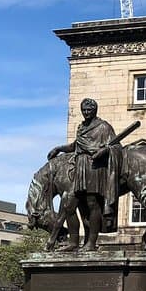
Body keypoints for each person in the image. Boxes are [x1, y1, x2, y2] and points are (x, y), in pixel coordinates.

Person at [47, 98, 120, 251]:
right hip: (80, 166)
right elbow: (75, 146)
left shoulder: (104, 127)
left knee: (93, 203)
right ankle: (74, 242)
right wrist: (59, 148)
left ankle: (91, 243)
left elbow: (116, 147)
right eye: (84, 110)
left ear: (95, 110)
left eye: (89, 110)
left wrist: (104, 151)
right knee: (69, 206)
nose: (86, 113)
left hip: (95, 167)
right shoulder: (81, 127)